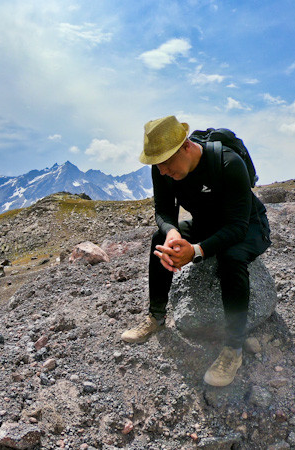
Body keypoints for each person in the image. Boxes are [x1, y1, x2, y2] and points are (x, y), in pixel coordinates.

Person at [121, 115, 271, 387]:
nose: (163, 170)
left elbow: (237, 227)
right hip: (207, 224)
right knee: (160, 239)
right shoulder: (162, 169)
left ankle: (233, 349)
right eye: (158, 164)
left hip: (249, 226)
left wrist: (197, 251)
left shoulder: (228, 163)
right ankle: (156, 316)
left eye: (167, 162)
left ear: (186, 146)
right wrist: (174, 234)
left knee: (231, 257)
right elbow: (164, 211)